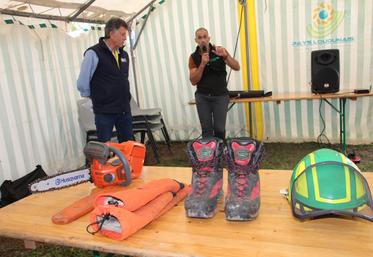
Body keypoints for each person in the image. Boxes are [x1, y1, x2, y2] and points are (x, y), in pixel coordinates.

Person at [77, 17, 133, 143]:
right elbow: (82, 83)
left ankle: (125, 164)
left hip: (124, 109)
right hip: (104, 111)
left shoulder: (124, 55)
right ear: (111, 34)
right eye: (123, 34)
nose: (125, 38)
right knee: (104, 148)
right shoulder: (93, 53)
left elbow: (123, 79)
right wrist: (97, 99)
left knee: (127, 146)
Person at [188, 27, 240, 140]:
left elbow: (237, 67)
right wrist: (202, 64)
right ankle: (208, 156)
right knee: (206, 130)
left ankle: (220, 154)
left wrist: (226, 56)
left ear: (209, 38)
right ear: (196, 40)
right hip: (203, 97)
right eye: (199, 37)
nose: (202, 40)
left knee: (219, 129)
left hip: (220, 96)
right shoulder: (193, 57)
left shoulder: (219, 50)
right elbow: (193, 81)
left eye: (204, 37)